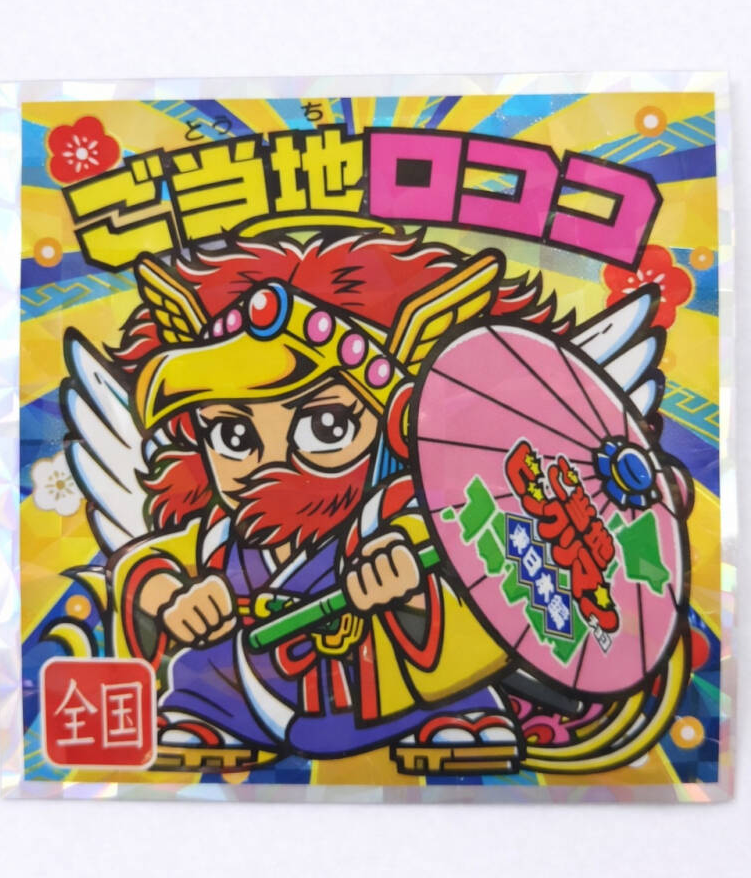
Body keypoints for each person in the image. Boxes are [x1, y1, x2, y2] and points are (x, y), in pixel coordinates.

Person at [101, 229, 566, 774]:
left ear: (392, 425)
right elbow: (148, 562)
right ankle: (208, 714)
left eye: (327, 424)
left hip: (389, 700)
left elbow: (468, 556)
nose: (270, 466)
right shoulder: (224, 536)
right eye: (232, 434)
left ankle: (462, 708)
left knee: (448, 668)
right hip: (254, 701)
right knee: (208, 675)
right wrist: (173, 598)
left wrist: (411, 587)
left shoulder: (395, 513)